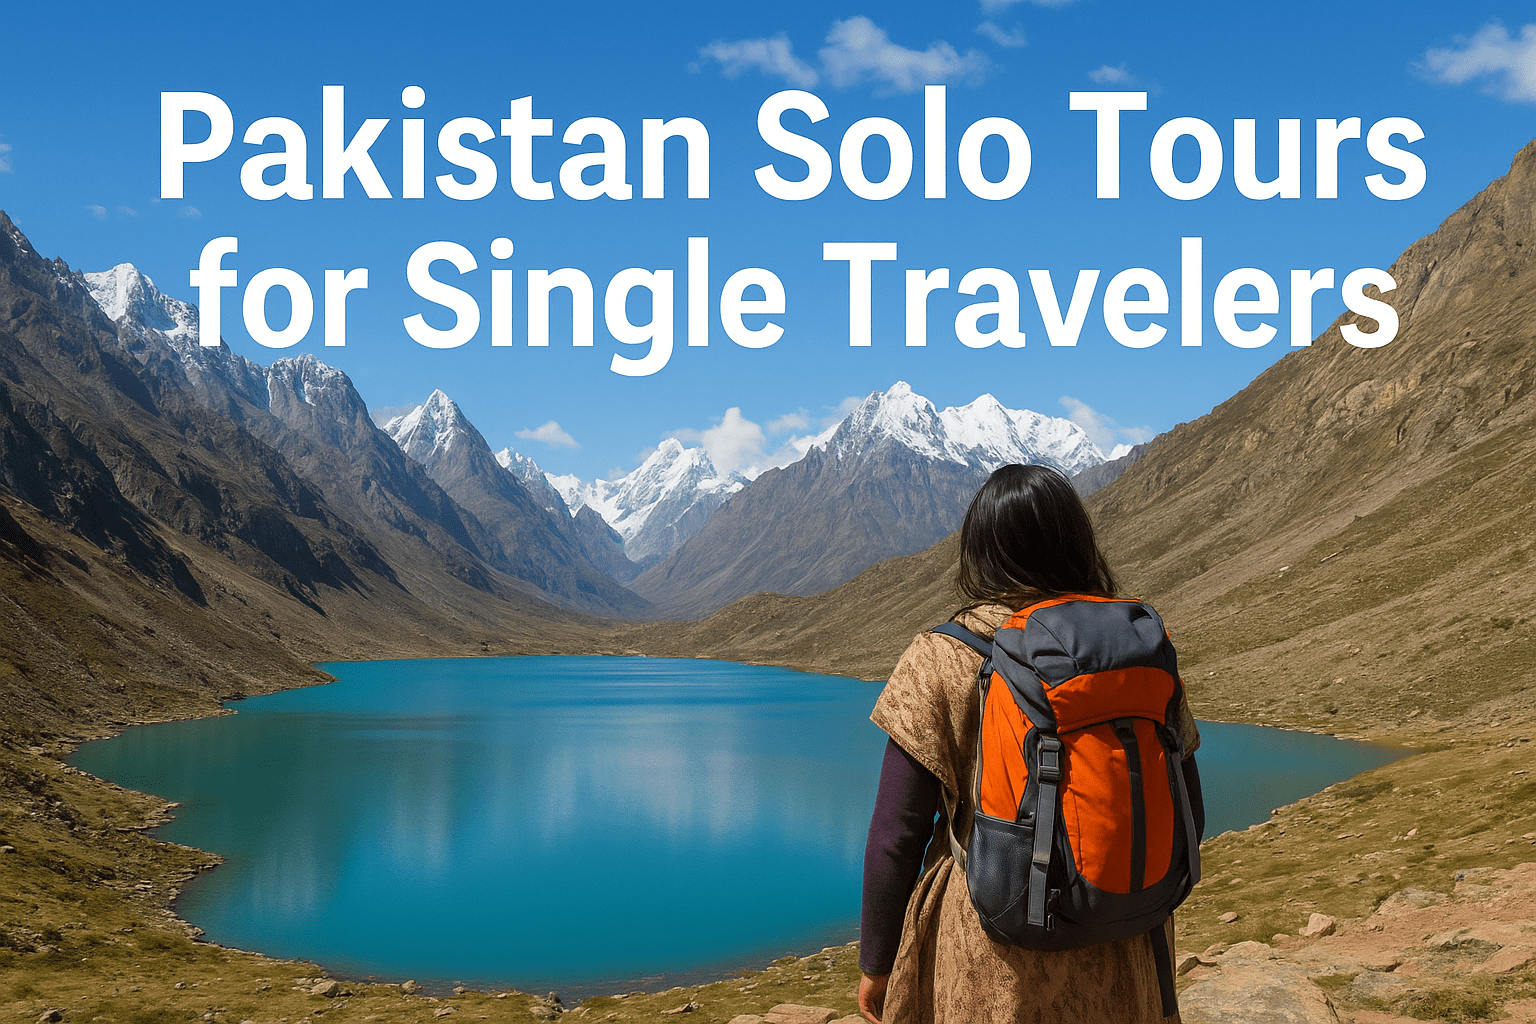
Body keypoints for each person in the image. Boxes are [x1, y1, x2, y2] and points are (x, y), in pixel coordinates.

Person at [856, 463, 1205, 1024]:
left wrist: (877, 961)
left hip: (995, 950)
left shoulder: (943, 656)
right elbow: (1186, 797)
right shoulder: (1134, 647)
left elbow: (897, 834)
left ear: (981, 552)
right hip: (1123, 944)